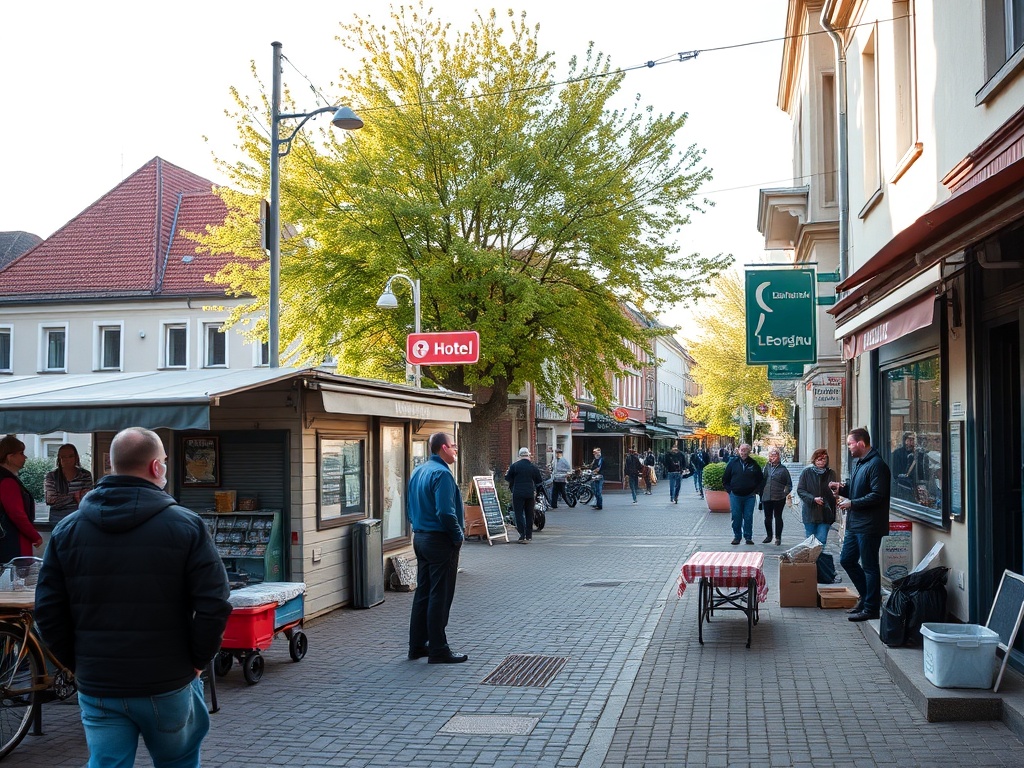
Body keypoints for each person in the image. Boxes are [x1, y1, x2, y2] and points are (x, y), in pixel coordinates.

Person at [34, 427, 231, 768]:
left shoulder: (67, 530)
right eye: (164, 461)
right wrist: (198, 660)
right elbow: (214, 603)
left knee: (106, 762)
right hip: (168, 679)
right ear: (156, 467)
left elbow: (48, 610)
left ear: (112, 465)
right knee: (179, 762)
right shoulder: (187, 525)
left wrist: (77, 662)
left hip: (99, 682)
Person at [406, 432, 467, 663]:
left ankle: (417, 646)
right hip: (440, 540)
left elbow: (409, 507)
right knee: (440, 595)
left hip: (421, 538)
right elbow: (445, 512)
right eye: (453, 446)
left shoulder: (418, 471)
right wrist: (457, 535)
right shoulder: (442, 474)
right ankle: (438, 649)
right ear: (443, 448)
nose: (456, 450)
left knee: (423, 593)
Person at [829, 427, 892, 622]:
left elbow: (878, 495)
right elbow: (856, 490)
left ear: (861, 443)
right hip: (855, 523)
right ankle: (867, 598)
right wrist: (841, 489)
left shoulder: (877, 465)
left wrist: (852, 503)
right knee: (847, 560)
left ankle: (871, 607)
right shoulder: (859, 463)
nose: (848, 447)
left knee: (869, 566)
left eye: (850, 444)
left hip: (870, 525)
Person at [0, 435, 43, 564]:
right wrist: (34, 535)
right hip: (12, 541)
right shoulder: (7, 481)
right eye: (21, 453)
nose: (25, 457)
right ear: (10, 457)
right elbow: (17, 514)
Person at [722, 443, 763, 545]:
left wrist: (756, 491)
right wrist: (730, 491)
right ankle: (737, 537)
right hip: (735, 495)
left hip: (750, 496)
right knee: (736, 516)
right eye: (742, 450)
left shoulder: (754, 464)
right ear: (738, 451)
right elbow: (725, 479)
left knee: (748, 517)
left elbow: (760, 479)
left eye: (745, 450)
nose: (743, 452)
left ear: (749, 452)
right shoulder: (732, 463)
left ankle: (748, 537)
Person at [44, 442, 94, 525]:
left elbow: (87, 499)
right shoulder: (51, 476)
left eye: (71, 456)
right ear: (59, 458)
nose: (67, 460)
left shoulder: (85, 475)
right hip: (57, 518)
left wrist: (63, 497)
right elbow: (51, 500)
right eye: (63, 457)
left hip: (79, 517)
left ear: (76, 457)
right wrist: (75, 496)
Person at [796, 448, 837, 546]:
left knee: (821, 541)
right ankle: (813, 557)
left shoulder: (831, 473)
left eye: (824, 459)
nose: (821, 461)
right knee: (810, 541)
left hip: (825, 513)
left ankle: (819, 556)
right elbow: (800, 490)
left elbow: (835, 491)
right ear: (814, 460)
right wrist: (813, 499)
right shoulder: (807, 472)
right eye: (819, 459)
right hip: (810, 513)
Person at [506, 447, 543, 542]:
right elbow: (539, 481)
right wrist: (536, 492)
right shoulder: (533, 467)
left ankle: (522, 535)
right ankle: (529, 536)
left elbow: (508, 478)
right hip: (530, 493)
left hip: (517, 493)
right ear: (528, 455)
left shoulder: (514, 466)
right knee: (529, 514)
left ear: (519, 456)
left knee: (518, 514)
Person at [760, 447, 792, 545]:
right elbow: (762, 480)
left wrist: (785, 493)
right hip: (767, 496)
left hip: (779, 497)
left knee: (778, 517)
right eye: (771, 455)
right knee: (767, 518)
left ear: (779, 456)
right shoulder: (766, 467)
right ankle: (769, 536)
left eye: (775, 455)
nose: (772, 457)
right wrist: (760, 492)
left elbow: (789, 484)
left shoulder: (783, 469)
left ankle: (778, 538)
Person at [891, 431, 929, 503]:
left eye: (914, 440)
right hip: (902, 486)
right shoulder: (897, 453)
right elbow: (896, 474)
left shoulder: (919, 453)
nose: (912, 442)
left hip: (916, 486)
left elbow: (923, 472)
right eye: (910, 440)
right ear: (905, 441)